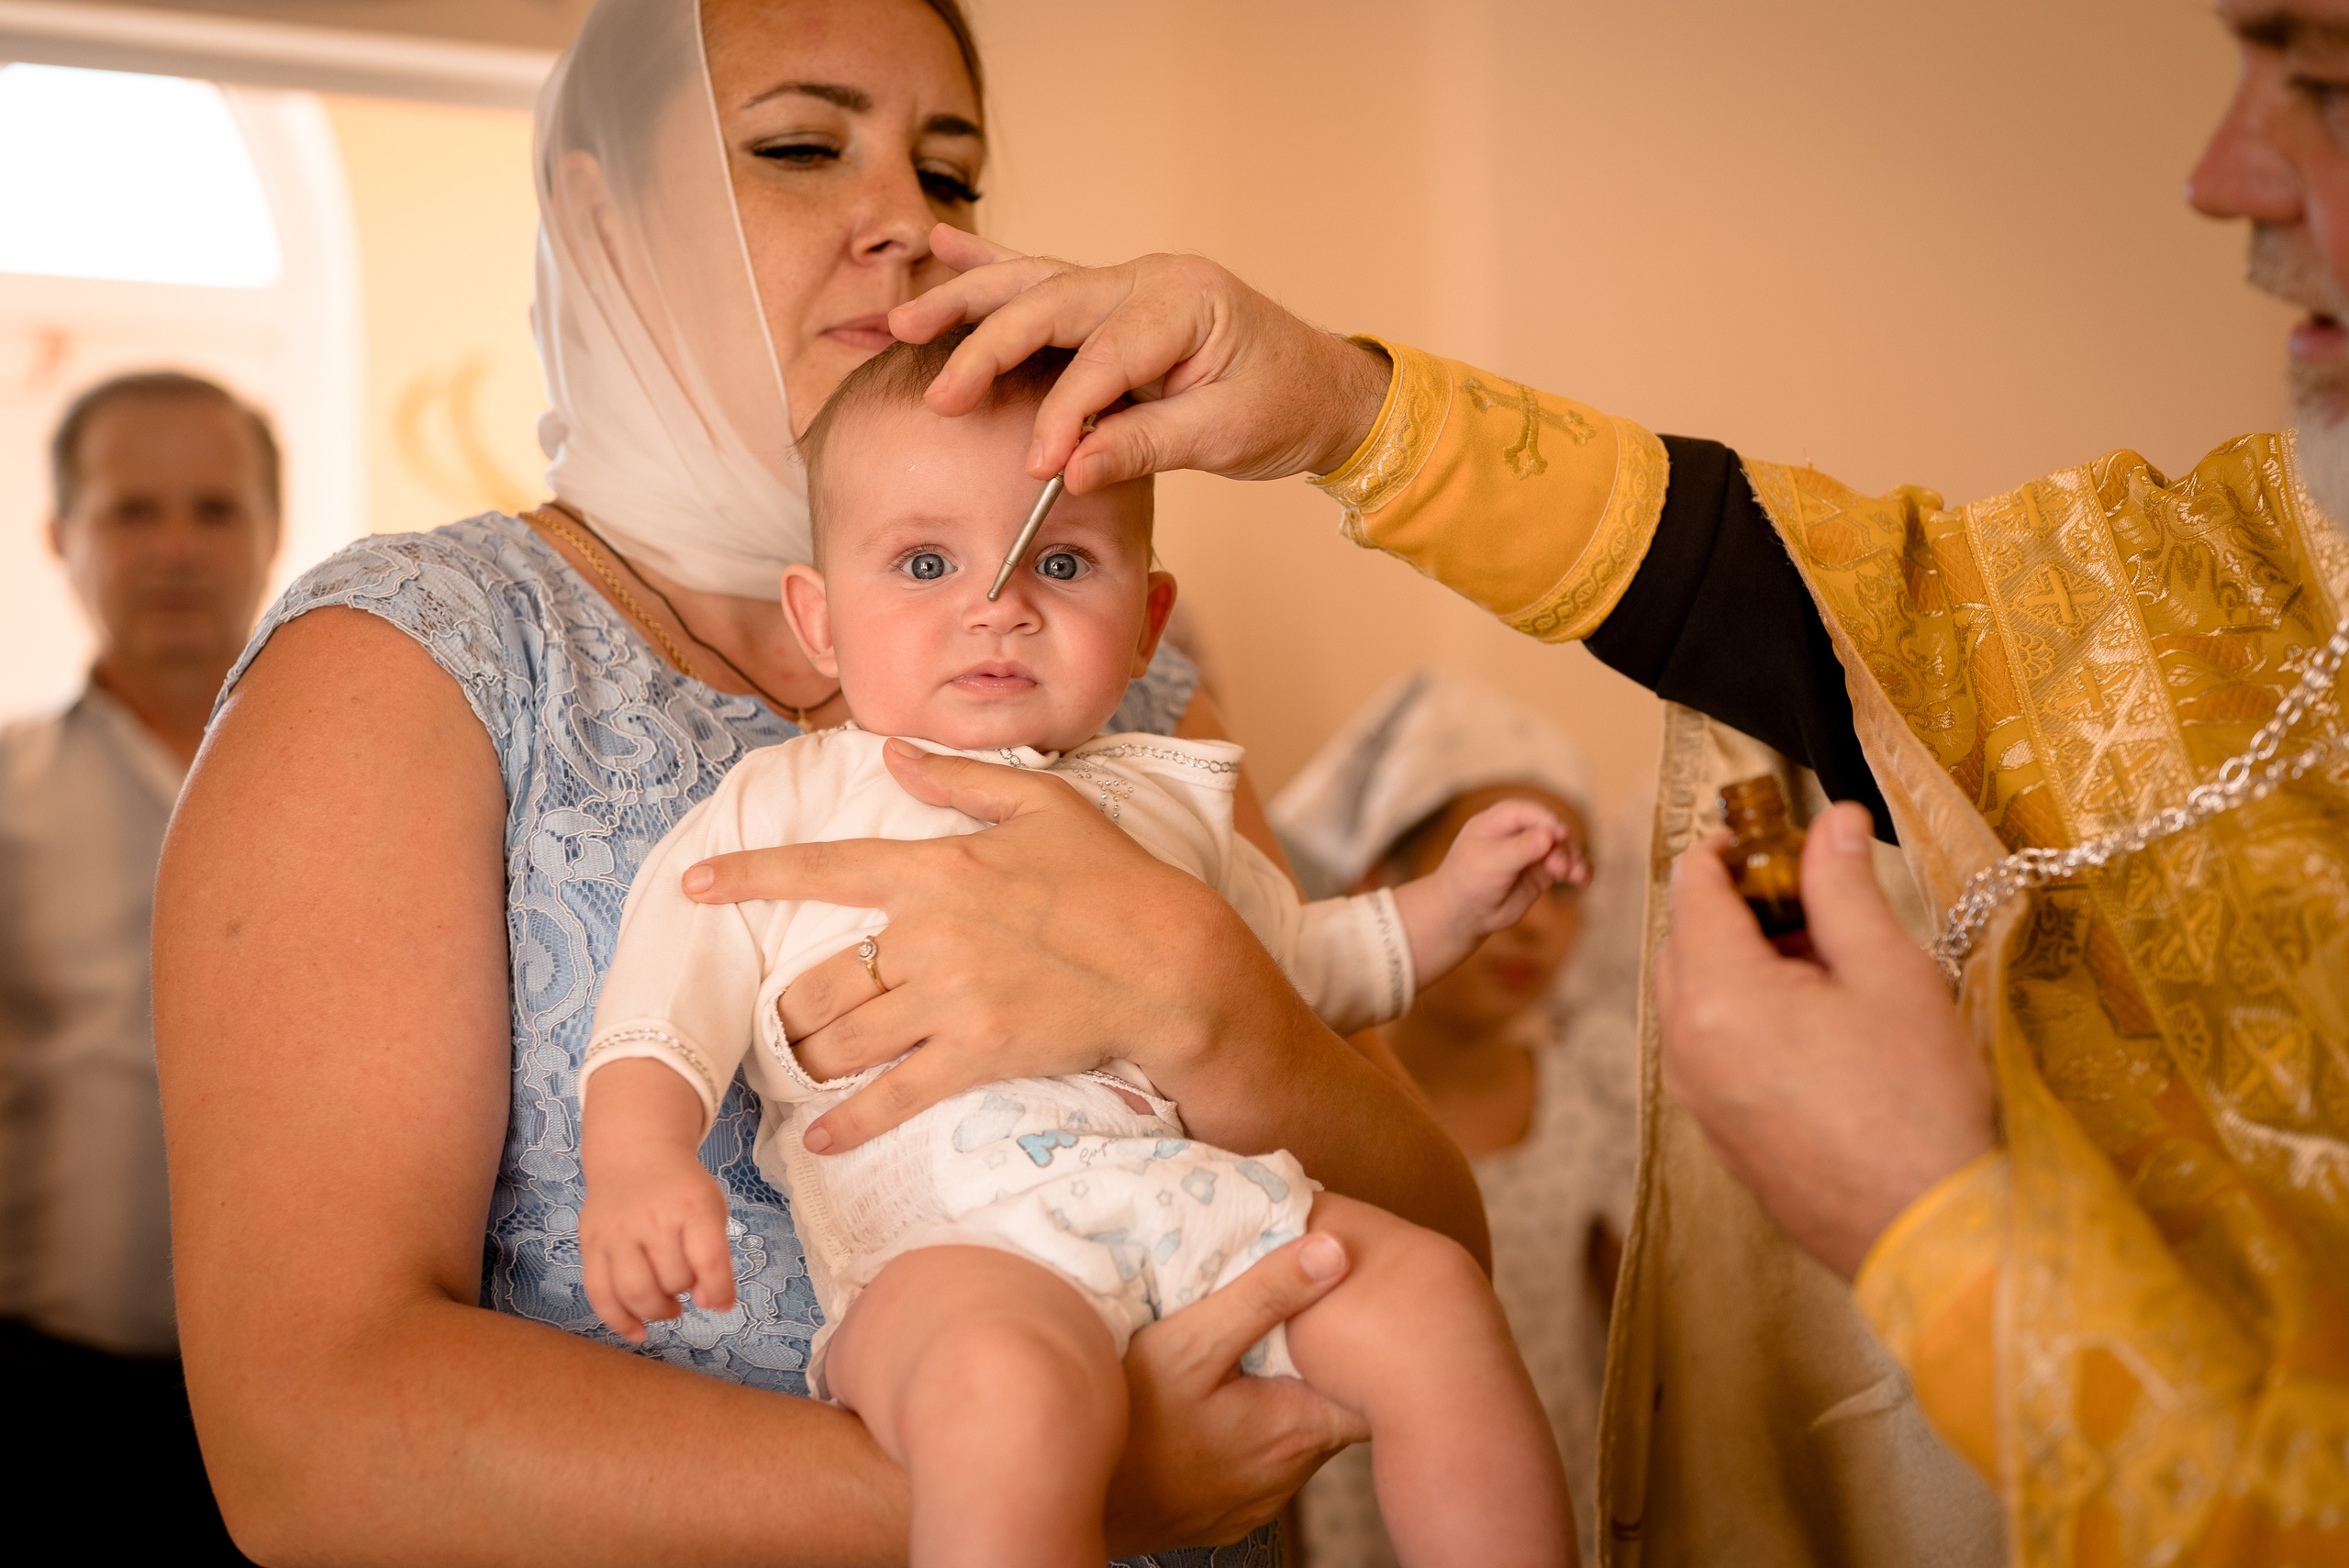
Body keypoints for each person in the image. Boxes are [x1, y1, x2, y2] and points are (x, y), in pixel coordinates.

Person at [838, 2, 2349, 1556]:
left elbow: (1323, 990)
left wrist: (1939, 1226)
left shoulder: (1155, 752)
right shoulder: (2250, 558)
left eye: (2323, 85)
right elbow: (1892, 610)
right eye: (802, 146)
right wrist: (1357, 411)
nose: (2226, 174)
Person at [153, 1, 1490, 1562]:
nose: (908, 229)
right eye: (801, 147)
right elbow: (310, 1436)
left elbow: (1435, 1229)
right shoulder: (415, 663)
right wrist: (1056, 1481)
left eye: (954, 172)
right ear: (601, 211)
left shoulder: (1123, 685)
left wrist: (1216, 1000)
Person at [578, 337, 1578, 1568]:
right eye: (926, 561)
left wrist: (1453, 905)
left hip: (1199, 1215)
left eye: (1062, 560)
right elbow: (666, 994)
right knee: (1006, 1404)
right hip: (949, 1257)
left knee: (1433, 1298)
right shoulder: (784, 801)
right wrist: (635, 1156)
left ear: (1148, 620)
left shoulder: (1167, 807)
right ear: (821, 618)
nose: (999, 604)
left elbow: (1301, 970)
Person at [1, 371, 278, 1559]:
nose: (176, 549)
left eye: (214, 511)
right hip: (43, 1400)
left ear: (272, 533)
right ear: (63, 537)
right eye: (132, 511)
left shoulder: (376, 796)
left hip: (312, 1396)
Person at [1273, 672, 1639, 1568]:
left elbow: (1648, 1341)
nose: (1529, 924)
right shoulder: (1300, 1101)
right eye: (1503, 871)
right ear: (1378, 885)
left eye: (1561, 886)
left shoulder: (1592, 1099)